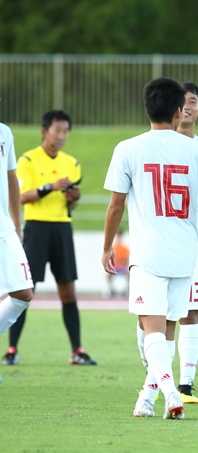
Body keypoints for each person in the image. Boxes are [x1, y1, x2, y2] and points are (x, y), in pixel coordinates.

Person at [102, 77, 198, 420]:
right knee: (167, 329)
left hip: (148, 254)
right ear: (178, 111)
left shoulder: (127, 148)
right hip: (185, 254)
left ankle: (171, 391)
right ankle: (147, 397)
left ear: (147, 109)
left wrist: (107, 247)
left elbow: (115, 206)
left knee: (151, 331)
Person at [134, 81, 198, 405]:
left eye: (193, 101)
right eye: (183, 101)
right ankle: (158, 386)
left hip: (184, 246)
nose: (187, 107)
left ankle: (180, 385)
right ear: (175, 108)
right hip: (166, 247)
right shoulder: (150, 147)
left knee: (183, 316)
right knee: (155, 323)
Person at [4, 111, 96, 366]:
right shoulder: (28, 160)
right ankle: (12, 349)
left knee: (68, 291)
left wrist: (73, 196)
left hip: (62, 229)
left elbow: (72, 205)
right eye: (57, 130)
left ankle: (77, 350)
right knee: (24, 290)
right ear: (44, 131)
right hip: (36, 228)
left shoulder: (72, 163)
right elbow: (21, 196)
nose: (62, 135)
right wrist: (49, 187)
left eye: (66, 130)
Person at [0, 118, 34, 381]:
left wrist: (16, 222)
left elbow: (12, 178)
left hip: (4, 227)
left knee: (23, 293)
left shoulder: (5, 132)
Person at [107, 230, 129, 297]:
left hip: (122, 267)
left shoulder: (125, 248)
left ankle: (127, 290)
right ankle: (112, 290)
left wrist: (122, 265)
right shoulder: (114, 247)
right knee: (108, 275)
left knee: (129, 275)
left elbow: (126, 259)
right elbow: (110, 259)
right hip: (115, 267)